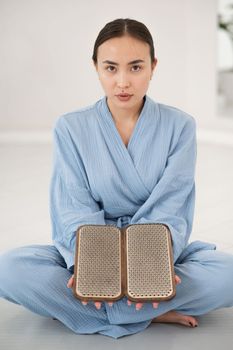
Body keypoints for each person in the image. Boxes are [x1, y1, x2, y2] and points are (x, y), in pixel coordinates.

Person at [0, 18, 233, 340]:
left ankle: (89, 308)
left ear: (153, 67)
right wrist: (91, 268)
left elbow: (172, 203)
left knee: (228, 275)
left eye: (135, 68)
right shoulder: (71, 127)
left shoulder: (180, 126)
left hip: (157, 249)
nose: (123, 82)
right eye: (111, 68)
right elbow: (73, 204)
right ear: (96, 68)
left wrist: (152, 268)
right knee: (9, 270)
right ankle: (151, 309)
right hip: (91, 247)